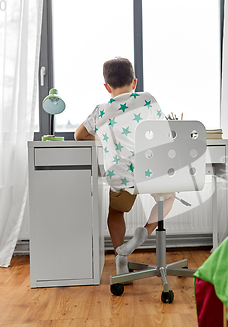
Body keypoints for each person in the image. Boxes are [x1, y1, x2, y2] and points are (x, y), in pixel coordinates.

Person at [75, 57, 175, 276]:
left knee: (116, 212)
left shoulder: (100, 110)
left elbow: (78, 135)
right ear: (135, 83)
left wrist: (103, 139)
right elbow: (164, 131)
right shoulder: (148, 99)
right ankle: (145, 232)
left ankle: (121, 256)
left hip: (120, 177)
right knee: (168, 197)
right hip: (150, 172)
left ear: (106, 87)